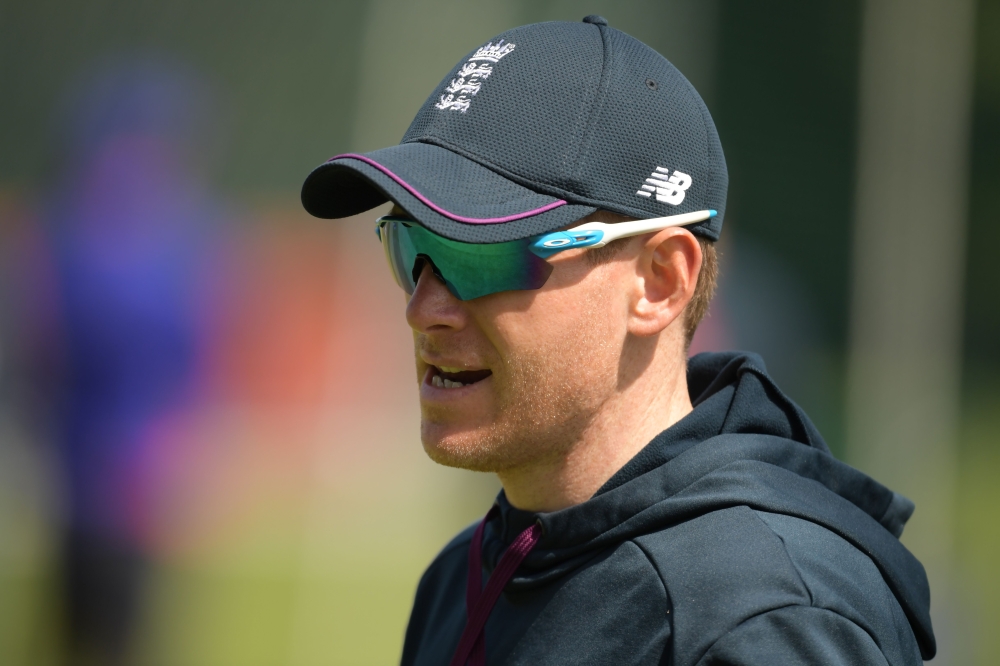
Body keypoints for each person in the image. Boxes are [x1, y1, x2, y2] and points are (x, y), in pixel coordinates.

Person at [301, 17, 934, 666]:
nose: (422, 308)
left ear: (659, 281)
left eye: (481, 256)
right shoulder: (461, 580)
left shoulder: (760, 619)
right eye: (412, 246)